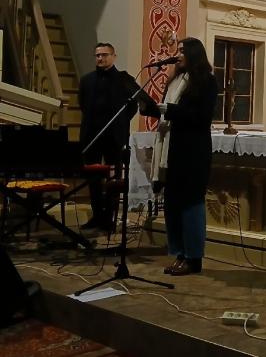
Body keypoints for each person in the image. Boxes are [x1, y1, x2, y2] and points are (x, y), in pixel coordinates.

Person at [140, 37, 218, 276]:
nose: (178, 54)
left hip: (192, 152)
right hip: (172, 150)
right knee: (172, 204)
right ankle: (179, 253)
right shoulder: (175, 81)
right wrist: (151, 108)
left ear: (194, 54)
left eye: (183, 50)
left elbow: (201, 117)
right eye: (178, 50)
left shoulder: (206, 81)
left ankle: (193, 258)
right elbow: (170, 113)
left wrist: (169, 110)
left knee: (190, 204)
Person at [79, 42, 138, 230]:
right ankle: (97, 215)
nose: (100, 58)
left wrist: (120, 123)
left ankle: (110, 217)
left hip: (114, 136)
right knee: (94, 180)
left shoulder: (124, 80)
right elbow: (83, 105)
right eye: (97, 55)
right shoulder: (86, 80)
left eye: (104, 55)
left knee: (114, 178)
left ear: (113, 56)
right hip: (92, 135)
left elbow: (133, 106)